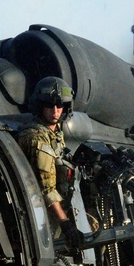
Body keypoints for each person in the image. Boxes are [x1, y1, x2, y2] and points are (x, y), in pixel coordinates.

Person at [17, 76, 82, 251]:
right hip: (42, 217)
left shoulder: (56, 133)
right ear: (40, 106)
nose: (55, 111)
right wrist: (65, 223)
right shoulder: (37, 137)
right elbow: (46, 190)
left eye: (59, 106)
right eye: (49, 106)